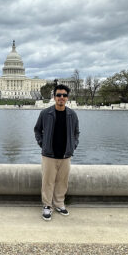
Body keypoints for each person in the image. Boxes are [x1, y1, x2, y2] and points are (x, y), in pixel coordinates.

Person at [34, 84, 80, 221]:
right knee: (47, 181)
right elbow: (37, 130)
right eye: (59, 95)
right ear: (54, 97)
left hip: (66, 154)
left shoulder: (72, 114)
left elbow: (76, 133)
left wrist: (73, 146)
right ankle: (47, 206)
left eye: (64, 95)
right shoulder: (45, 113)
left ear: (67, 98)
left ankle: (59, 203)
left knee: (62, 181)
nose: (61, 97)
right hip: (49, 154)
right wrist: (43, 144)